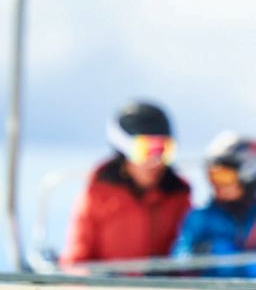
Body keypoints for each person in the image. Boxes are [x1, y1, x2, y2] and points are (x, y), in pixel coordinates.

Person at [61, 100, 193, 270]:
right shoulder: (97, 196)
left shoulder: (177, 194)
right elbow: (76, 261)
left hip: (160, 286)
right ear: (124, 149)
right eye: (145, 150)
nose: (155, 161)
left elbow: (187, 256)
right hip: (109, 285)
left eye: (164, 149)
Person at [172, 133, 256, 278]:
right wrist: (202, 253)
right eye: (212, 175)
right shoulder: (202, 218)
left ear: (249, 175)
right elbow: (178, 257)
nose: (216, 184)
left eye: (224, 176)